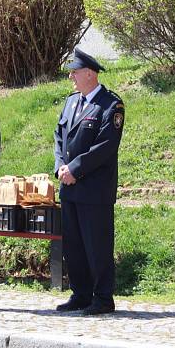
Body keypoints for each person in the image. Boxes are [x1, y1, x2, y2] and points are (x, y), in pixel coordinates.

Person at [53, 49, 125, 316]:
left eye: (75, 71)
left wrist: (75, 169)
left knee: (97, 245)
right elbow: (59, 136)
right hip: (69, 187)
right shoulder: (72, 101)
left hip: (94, 189)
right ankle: (80, 294)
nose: (71, 75)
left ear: (90, 74)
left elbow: (105, 147)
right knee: (74, 246)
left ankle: (103, 297)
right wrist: (60, 166)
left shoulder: (111, 105)